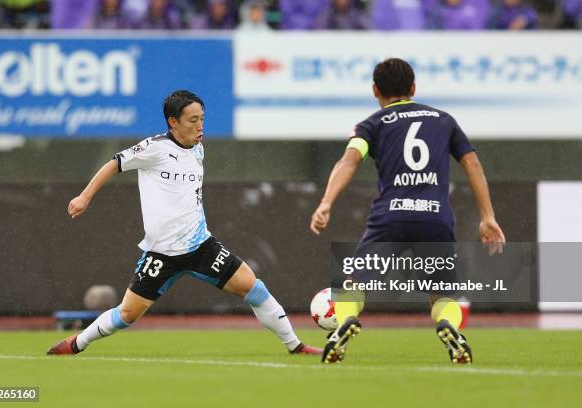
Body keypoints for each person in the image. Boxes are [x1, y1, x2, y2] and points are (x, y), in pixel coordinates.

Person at [47, 90, 321, 357]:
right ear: (173, 122)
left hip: (201, 246)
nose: (200, 125)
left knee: (254, 287)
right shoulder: (154, 148)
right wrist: (84, 197)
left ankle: (295, 345)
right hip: (162, 254)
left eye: (202, 118)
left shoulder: (198, 149)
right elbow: (114, 164)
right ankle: (77, 343)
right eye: (193, 120)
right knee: (127, 314)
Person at [309, 58, 505, 364]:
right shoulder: (443, 120)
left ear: (375, 90)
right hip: (435, 217)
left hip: (391, 217)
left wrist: (326, 202)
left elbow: (349, 161)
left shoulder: (371, 125)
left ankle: (344, 324)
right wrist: (487, 216)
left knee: (355, 284)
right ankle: (450, 327)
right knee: (442, 295)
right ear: (413, 88)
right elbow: (472, 163)